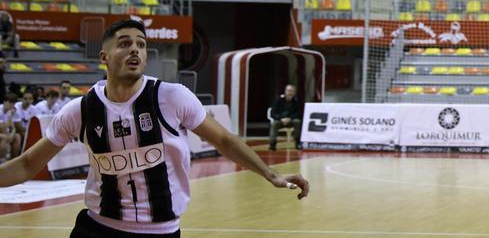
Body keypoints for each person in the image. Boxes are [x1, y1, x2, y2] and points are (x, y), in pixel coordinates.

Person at [0, 18, 309, 237]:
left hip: (160, 231)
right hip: (97, 227)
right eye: (125, 44)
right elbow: (28, 164)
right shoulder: (80, 110)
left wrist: (272, 175)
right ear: (104, 58)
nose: (135, 49)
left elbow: (226, 141)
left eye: (141, 44)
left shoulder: (172, 97)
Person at [268, 84, 304, 151]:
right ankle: (272, 144)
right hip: (280, 120)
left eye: (292, 91)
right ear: (285, 91)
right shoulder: (278, 100)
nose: (290, 93)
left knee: (298, 122)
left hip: (291, 120)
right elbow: (272, 113)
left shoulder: (297, 101)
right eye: (288, 91)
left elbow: (299, 113)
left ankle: (297, 143)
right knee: (273, 124)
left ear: (294, 92)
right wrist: (281, 118)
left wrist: (290, 118)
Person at [0, 93, 19, 160]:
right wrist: (11, 116)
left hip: (3, 132)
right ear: (4, 101)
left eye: (13, 103)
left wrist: (12, 134)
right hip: (1, 132)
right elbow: (3, 128)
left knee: (17, 136)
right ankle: (2, 161)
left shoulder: (9, 112)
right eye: (10, 102)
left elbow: (13, 127)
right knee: (4, 137)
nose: (12, 105)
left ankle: (13, 159)